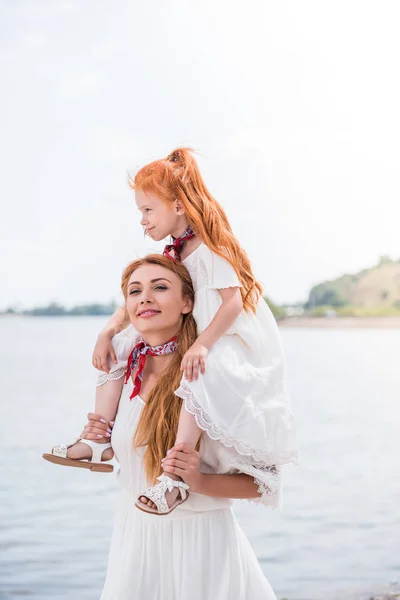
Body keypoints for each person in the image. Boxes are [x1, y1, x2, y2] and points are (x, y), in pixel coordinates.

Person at [43, 148, 298, 513]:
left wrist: (203, 346)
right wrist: (107, 331)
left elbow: (233, 304)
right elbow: (137, 302)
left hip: (227, 337)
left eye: (148, 210)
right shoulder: (175, 254)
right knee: (123, 341)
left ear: (178, 206)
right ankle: (99, 435)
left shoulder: (212, 247)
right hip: (200, 334)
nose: (143, 221)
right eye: (141, 212)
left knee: (201, 369)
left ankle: (175, 476)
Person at [82, 254, 279, 599]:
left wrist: (199, 480)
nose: (145, 297)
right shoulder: (125, 375)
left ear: (188, 302)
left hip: (201, 548)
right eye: (134, 291)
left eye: (160, 287)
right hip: (134, 538)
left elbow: (265, 484)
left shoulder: (215, 377)